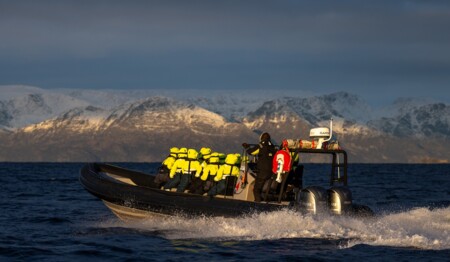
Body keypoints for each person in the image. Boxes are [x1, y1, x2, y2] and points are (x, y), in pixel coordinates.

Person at [242, 132, 276, 202]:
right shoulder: (273, 147)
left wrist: (246, 147)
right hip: (271, 172)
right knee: (265, 189)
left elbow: (251, 152)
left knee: (256, 190)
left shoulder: (260, 146)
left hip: (262, 172)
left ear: (261, 138)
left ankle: (257, 206)